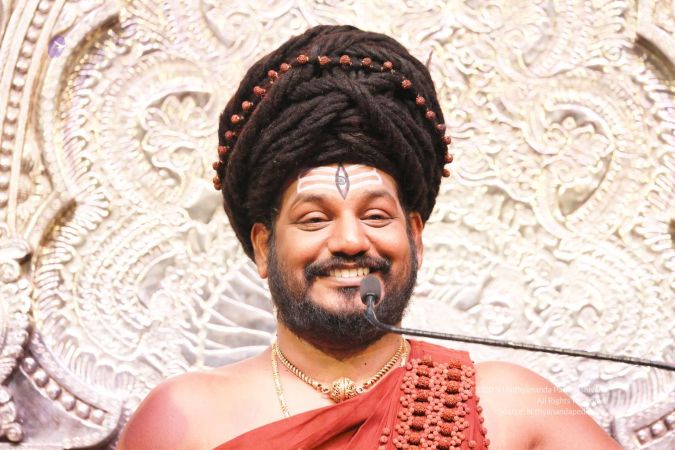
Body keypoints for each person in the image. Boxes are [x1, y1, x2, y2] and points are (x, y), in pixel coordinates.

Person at [118, 25, 623, 449]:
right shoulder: (182, 420)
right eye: (314, 219)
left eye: (377, 216)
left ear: (415, 237)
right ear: (264, 247)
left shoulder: (513, 405)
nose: (350, 241)